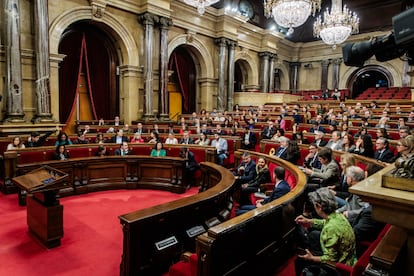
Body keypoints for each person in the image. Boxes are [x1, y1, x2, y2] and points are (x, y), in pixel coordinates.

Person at [294, 187, 356, 276]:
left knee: (299, 261)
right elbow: (326, 222)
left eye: (314, 205)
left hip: (339, 268)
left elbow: (330, 259)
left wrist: (312, 258)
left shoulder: (330, 228)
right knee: (313, 236)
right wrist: (309, 221)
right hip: (348, 258)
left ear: (319, 207)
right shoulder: (338, 215)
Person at [337, 166, 384, 244]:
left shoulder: (361, 191)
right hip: (352, 216)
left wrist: (349, 213)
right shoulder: (355, 188)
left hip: (354, 220)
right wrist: (338, 211)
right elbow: (349, 204)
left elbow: (365, 208)